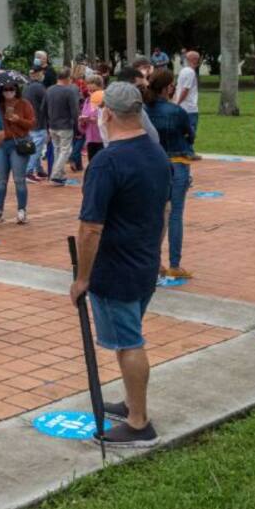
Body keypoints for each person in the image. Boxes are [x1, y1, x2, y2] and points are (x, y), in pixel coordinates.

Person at [69, 82, 169, 448]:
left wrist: (82, 277)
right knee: (131, 334)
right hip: (143, 261)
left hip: (115, 268)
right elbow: (165, 209)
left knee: (129, 343)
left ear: (107, 113)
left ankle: (139, 422)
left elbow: (91, 227)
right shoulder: (156, 154)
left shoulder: (107, 162)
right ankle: (131, 404)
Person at [145, 69, 195, 281]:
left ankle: (153, 262)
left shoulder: (144, 110)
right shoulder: (176, 111)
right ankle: (175, 264)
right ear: (168, 87)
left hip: (153, 164)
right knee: (175, 215)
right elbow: (189, 135)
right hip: (177, 163)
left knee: (153, 215)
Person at [0, 78, 36, 225]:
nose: (9, 92)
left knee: (19, 179)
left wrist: (18, 120)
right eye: (5, 89)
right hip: (1, 144)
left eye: (12, 89)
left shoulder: (24, 104)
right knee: (0, 180)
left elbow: (31, 124)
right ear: (1, 92)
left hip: (19, 143)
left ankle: (22, 211)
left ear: (16, 90)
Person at [45, 69, 80, 185]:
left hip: (52, 125)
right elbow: (74, 110)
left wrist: (47, 125)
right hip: (65, 125)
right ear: (67, 78)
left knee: (57, 150)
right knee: (66, 150)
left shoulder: (49, 90)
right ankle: (56, 174)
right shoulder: (68, 91)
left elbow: (43, 108)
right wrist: (77, 125)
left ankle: (58, 175)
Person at [173, 50, 201, 160]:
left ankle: (182, 150)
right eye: (198, 59)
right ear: (195, 60)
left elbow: (178, 87)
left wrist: (176, 102)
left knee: (182, 130)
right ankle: (189, 152)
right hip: (189, 107)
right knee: (191, 130)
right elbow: (185, 89)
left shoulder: (183, 70)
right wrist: (179, 102)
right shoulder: (190, 72)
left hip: (182, 106)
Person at [23, 67, 49, 182]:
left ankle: (38, 169)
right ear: (38, 74)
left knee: (35, 146)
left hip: (30, 121)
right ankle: (28, 171)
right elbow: (47, 103)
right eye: (42, 72)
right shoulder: (39, 87)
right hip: (39, 121)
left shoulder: (26, 86)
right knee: (37, 148)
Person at [79, 76, 105, 164]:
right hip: (90, 139)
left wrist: (97, 120)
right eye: (90, 91)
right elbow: (82, 128)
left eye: (94, 91)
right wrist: (82, 121)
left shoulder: (106, 100)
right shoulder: (87, 101)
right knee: (92, 163)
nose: (92, 94)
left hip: (103, 138)